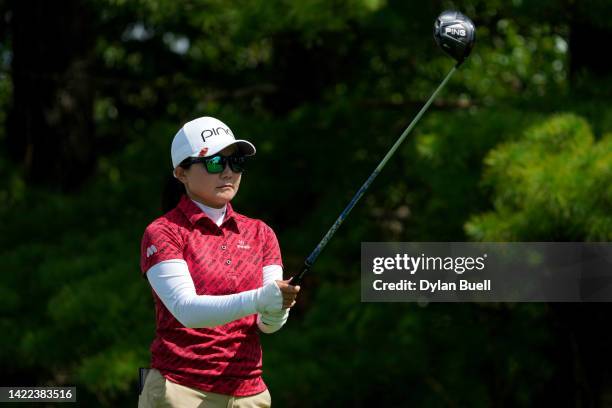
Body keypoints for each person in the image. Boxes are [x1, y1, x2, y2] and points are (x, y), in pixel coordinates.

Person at [138, 116, 300, 408]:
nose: (228, 171)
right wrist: (263, 298)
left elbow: (267, 323)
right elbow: (187, 311)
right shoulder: (163, 232)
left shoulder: (261, 233)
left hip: (250, 393)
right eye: (214, 163)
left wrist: (278, 309)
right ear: (181, 173)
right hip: (180, 390)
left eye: (235, 162)